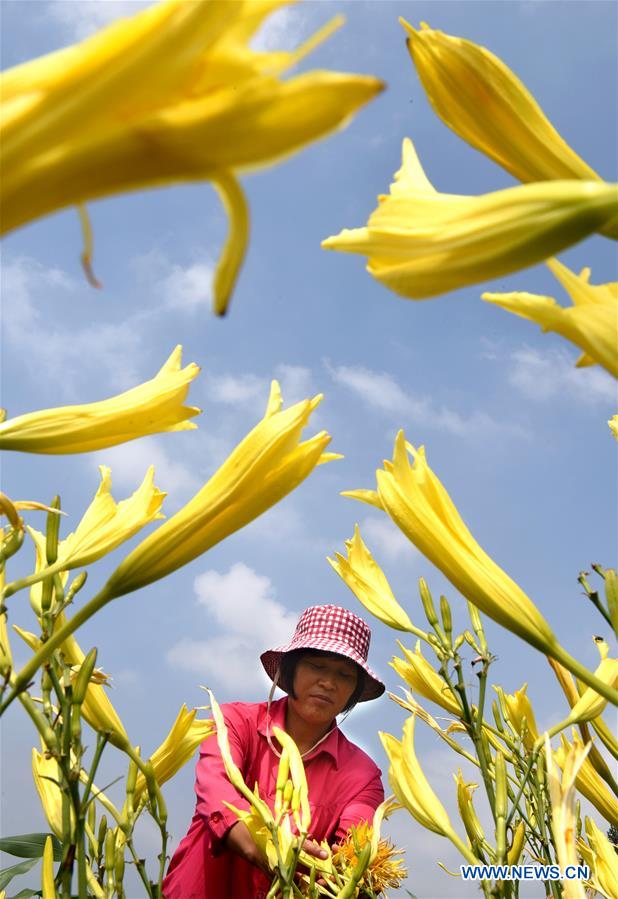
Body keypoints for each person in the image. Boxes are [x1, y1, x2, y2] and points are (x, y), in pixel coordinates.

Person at [162, 604, 386, 899]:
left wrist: (345, 868)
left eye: (345, 676)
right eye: (317, 666)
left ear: (354, 692)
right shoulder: (234, 722)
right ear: (290, 669)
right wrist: (270, 847)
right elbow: (217, 794)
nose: (329, 683)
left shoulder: (363, 775)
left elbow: (354, 850)